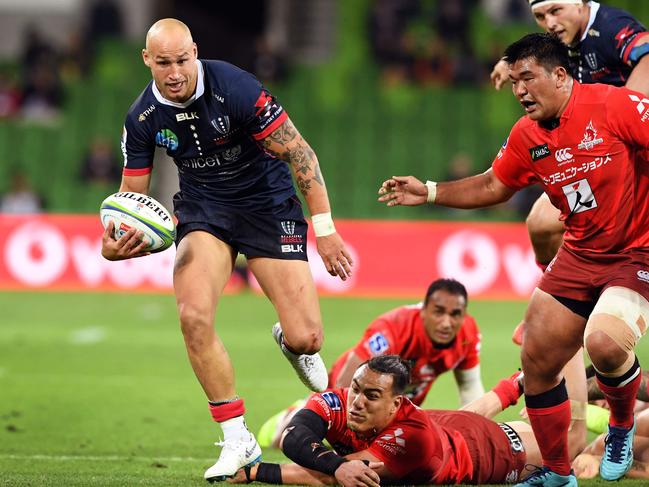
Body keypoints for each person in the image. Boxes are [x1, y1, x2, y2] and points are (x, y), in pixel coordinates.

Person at [378, 33, 649, 486]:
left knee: (603, 343)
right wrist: (427, 191)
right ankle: (559, 474)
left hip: (636, 252)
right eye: (514, 80)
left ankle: (620, 426)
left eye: (528, 78)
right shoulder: (528, 135)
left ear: (560, 76)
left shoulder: (616, 106)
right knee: (537, 361)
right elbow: (492, 185)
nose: (518, 89)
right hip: (580, 254)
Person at [100, 18, 353, 482]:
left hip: (266, 204)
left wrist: (326, 229)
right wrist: (116, 245)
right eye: (163, 63)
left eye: (182, 60)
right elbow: (129, 201)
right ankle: (237, 436)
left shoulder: (236, 87)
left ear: (194, 52)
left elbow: (301, 154)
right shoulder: (140, 117)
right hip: (205, 210)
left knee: (307, 338)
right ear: (146, 60)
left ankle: (290, 342)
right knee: (193, 316)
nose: (174, 72)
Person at [228, 354, 586, 486]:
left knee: (573, 441)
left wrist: (261, 472)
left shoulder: (409, 438)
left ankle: (565, 341)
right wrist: (334, 462)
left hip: (498, 451)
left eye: (371, 396)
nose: (356, 402)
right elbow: (294, 434)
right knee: (465, 417)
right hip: (449, 428)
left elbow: (339, 475)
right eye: (355, 389)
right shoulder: (344, 400)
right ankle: (519, 382)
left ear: (395, 404)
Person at [490, 0, 649, 271]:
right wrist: (511, 62)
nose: (549, 22)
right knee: (540, 224)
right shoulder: (563, 39)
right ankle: (566, 297)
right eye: (540, 16)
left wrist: (627, 105)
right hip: (594, 162)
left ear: (580, 4)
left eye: (555, 11)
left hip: (631, 156)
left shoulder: (610, 26)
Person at [257, 278, 485, 448]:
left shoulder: (468, 333)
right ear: (424, 310)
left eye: (455, 314)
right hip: (348, 395)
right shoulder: (393, 328)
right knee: (293, 440)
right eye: (438, 312)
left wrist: (474, 435)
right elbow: (348, 380)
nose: (447, 323)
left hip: (394, 407)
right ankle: (294, 414)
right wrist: (344, 438)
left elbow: (469, 388)